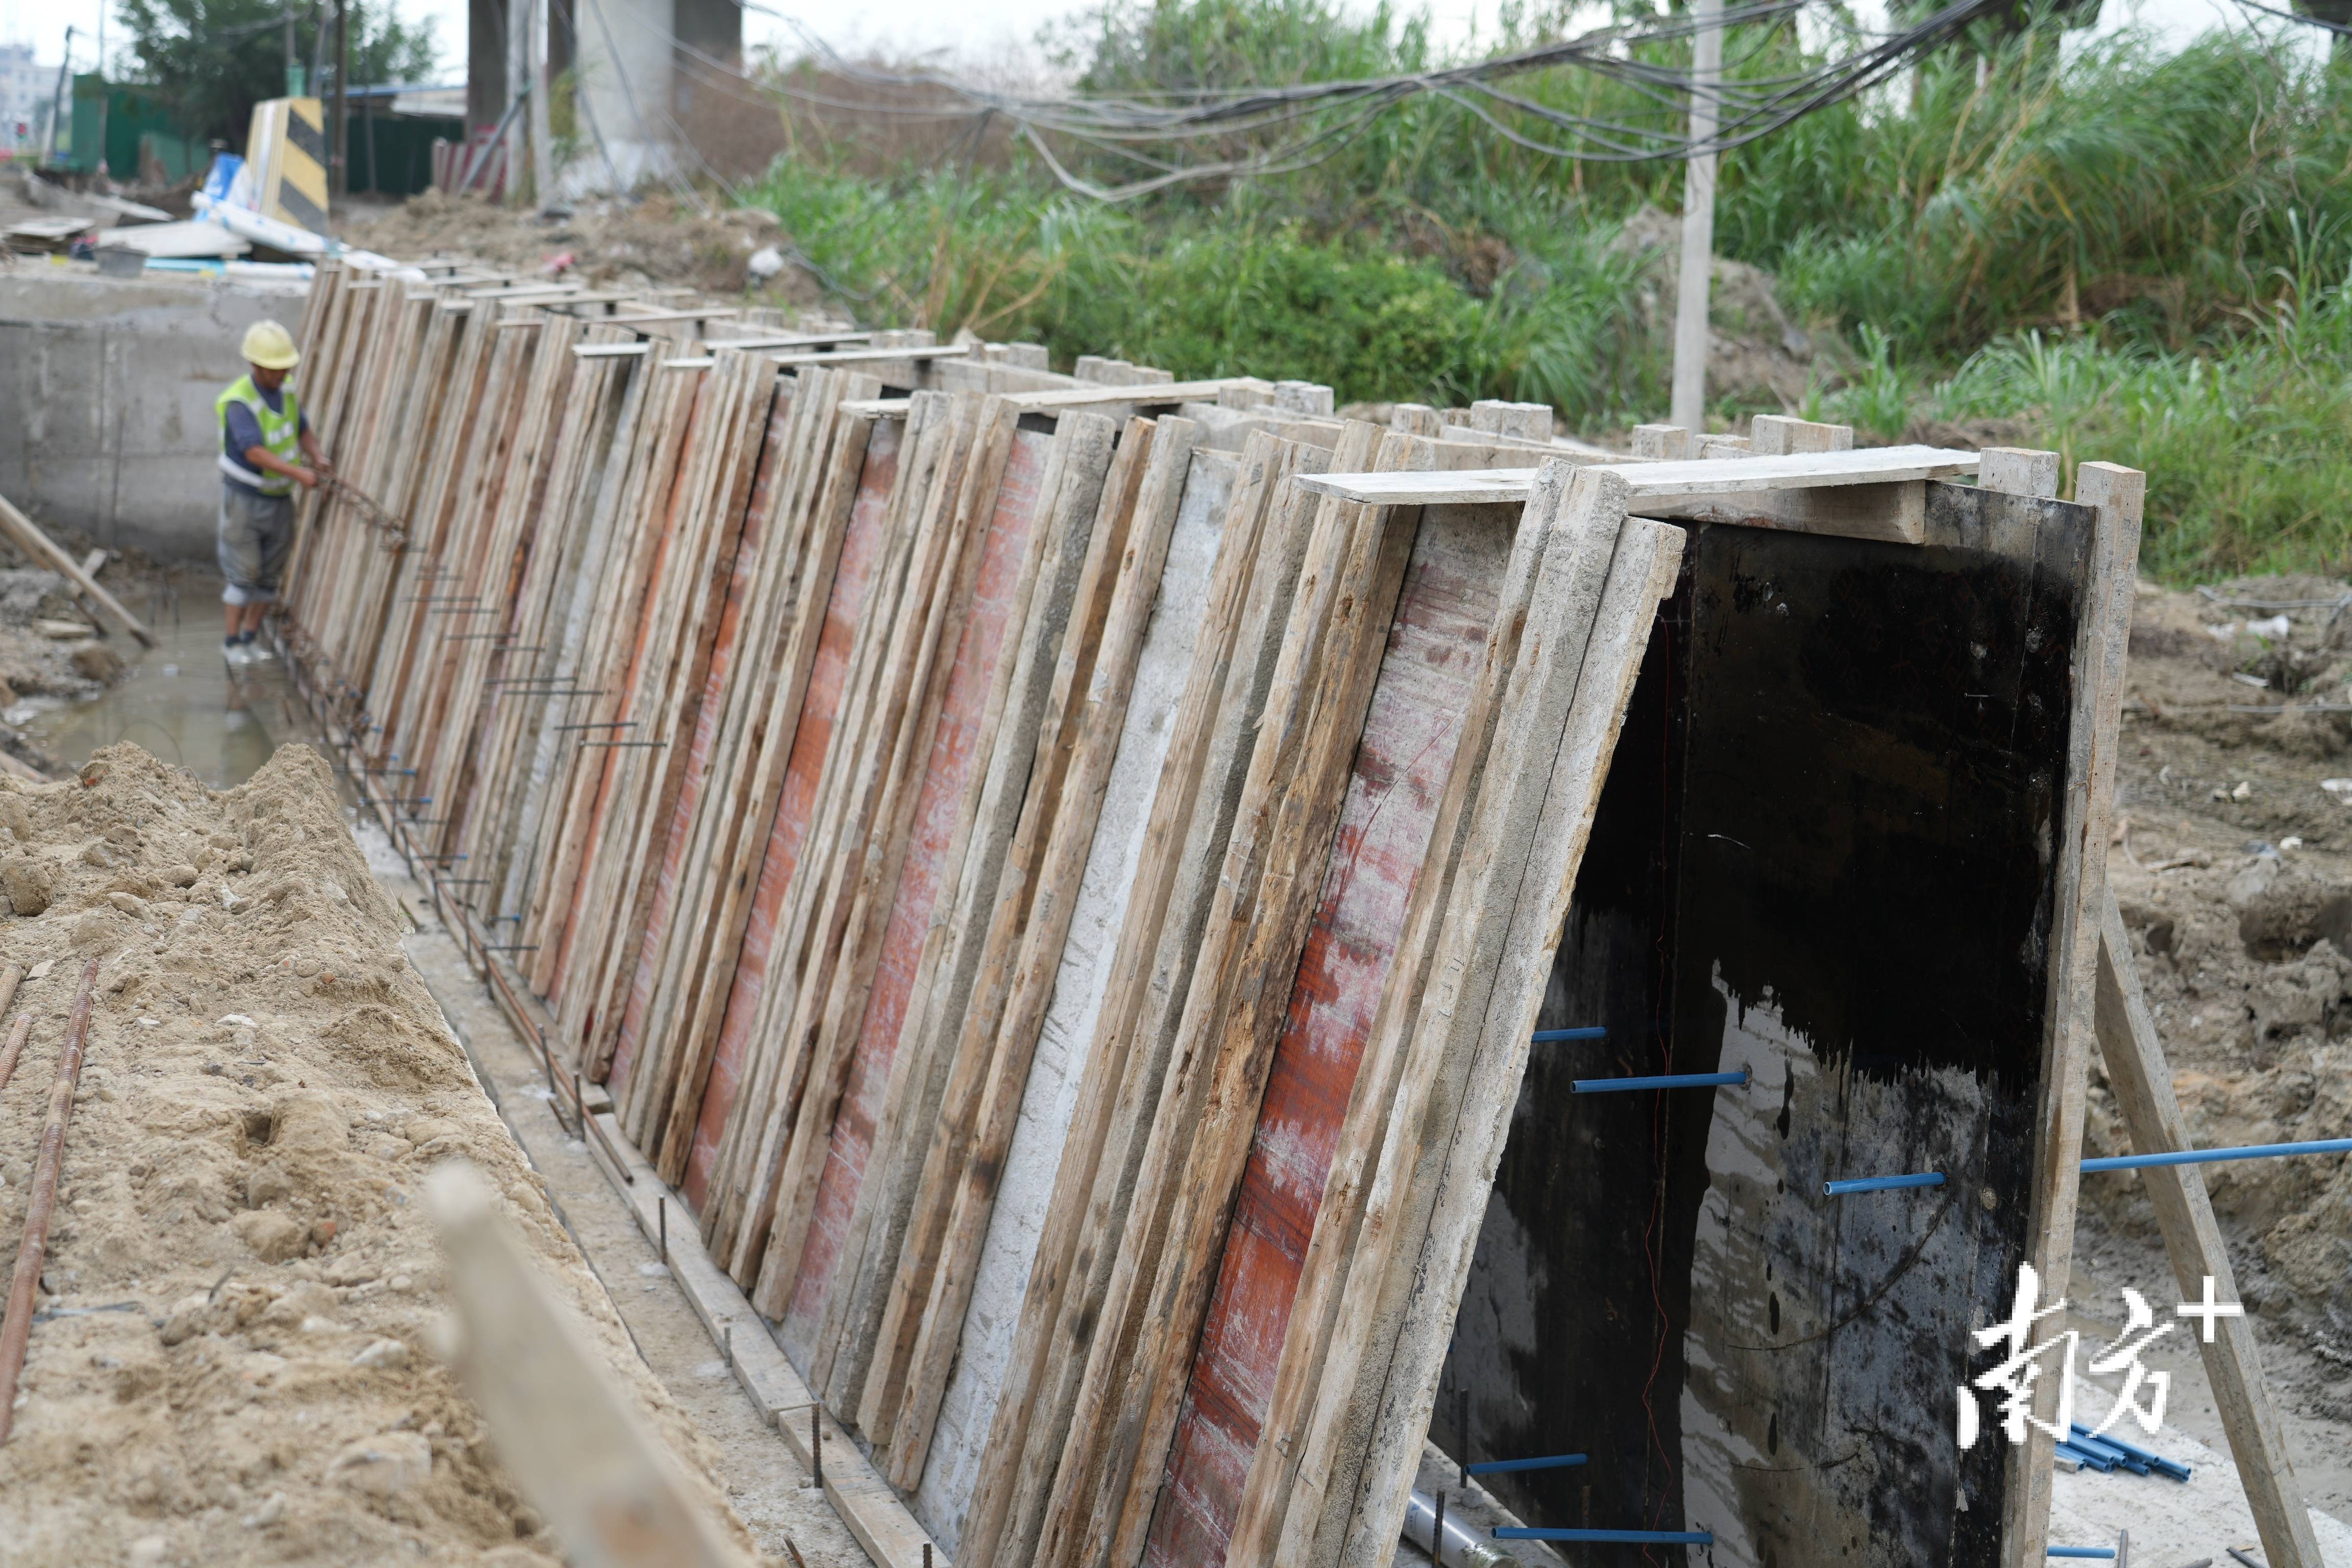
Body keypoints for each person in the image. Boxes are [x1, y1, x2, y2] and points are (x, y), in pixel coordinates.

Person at [215, 320, 328, 666]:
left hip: (279, 499)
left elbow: (301, 428)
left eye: (285, 369)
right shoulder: (240, 402)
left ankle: (251, 637)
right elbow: (254, 452)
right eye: (273, 369)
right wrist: (300, 474)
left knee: (269, 574)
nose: (280, 375)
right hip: (246, 500)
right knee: (244, 574)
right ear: (255, 365)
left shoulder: (287, 392)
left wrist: (318, 456)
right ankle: (231, 642)